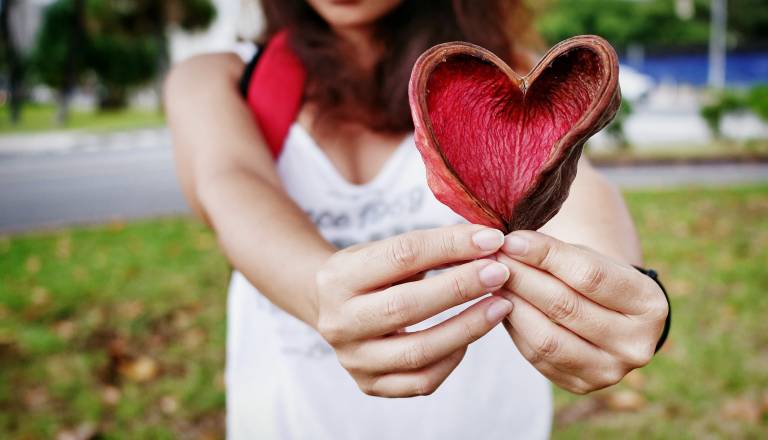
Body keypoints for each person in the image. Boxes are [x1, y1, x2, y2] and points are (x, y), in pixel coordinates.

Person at [165, 0, 670, 438]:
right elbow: (229, 183)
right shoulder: (217, 80)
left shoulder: (507, 81)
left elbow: (580, 196)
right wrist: (318, 292)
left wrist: (620, 293)